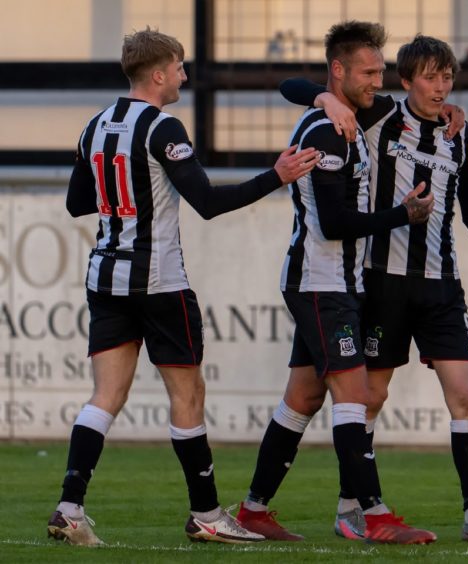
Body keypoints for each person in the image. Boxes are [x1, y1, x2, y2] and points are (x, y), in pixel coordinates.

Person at [47, 27, 320, 546]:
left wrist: (122, 195)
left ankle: (69, 507)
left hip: (106, 275)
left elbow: (76, 204)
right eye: (178, 68)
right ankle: (208, 515)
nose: (184, 76)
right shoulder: (163, 126)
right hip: (158, 281)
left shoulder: (94, 126)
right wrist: (276, 176)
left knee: (104, 396)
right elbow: (209, 203)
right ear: (157, 74)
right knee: (187, 394)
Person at [278, 34, 468, 544]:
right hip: (382, 284)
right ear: (406, 80)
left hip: (441, 285)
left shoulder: (461, 135)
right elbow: (290, 84)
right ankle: (351, 506)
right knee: (369, 397)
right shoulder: (378, 118)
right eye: (431, 78)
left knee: (464, 392)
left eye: (448, 78)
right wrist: (324, 97)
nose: (441, 88)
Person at [233, 21, 439, 545]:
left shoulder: (351, 111)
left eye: (380, 71)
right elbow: (333, 223)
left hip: (333, 282)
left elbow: (293, 87)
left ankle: (254, 509)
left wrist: (329, 95)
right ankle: (369, 514)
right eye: (369, 72)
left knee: (302, 399)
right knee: (355, 393)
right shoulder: (326, 130)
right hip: (320, 284)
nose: (379, 81)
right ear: (340, 70)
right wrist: (402, 215)